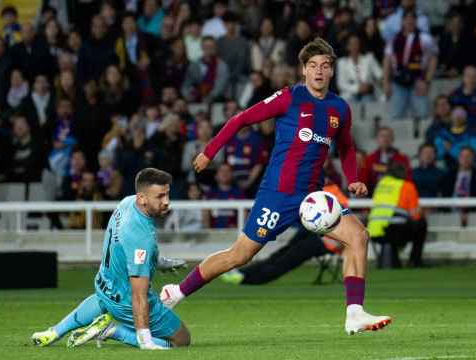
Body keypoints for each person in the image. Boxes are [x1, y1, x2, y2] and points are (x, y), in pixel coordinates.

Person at [160, 38, 391, 335]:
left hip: (313, 200)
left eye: (325, 66)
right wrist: (209, 151)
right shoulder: (289, 97)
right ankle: (176, 293)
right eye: (313, 66)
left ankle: (355, 313)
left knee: (358, 235)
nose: (319, 71)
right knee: (239, 255)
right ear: (304, 70)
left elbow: (346, 147)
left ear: (332, 71)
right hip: (277, 196)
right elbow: (241, 119)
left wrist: (354, 177)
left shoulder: (339, 108)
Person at [30, 168, 191, 350]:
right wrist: (145, 339)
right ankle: (112, 331)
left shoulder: (126, 203)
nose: (167, 202)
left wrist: (159, 262)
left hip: (105, 284)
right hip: (126, 301)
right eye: (160, 197)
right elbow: (138, 295)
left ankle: (54, 332)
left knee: (102, 300)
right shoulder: (140, 236)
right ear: (142, 198)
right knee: (182, 340)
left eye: (167, 194)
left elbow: (125, 250)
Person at [219, 181, 349, 285]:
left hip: (328, 240)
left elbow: (342, 222)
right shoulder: (317, 190)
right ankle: (243, 273)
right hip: (314, 231)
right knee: (281, 254)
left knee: (287, 258)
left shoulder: (332, 194)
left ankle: (249, 278)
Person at [382, 10, 438, 119]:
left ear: (416, 21)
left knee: (422, 115)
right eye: (406, 19)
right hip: (399, 81)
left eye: (412, 19)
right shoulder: (394, 39)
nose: (409, 21)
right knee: (395, 116)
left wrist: (427, 81)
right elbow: (387, 61)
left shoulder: (424, 38)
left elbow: (433, 59)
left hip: (418, 81)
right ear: (402, 21)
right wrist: (386, 83)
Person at [360, 126, 412, 193]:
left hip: (396, 195)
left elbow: (407, 179)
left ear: (392, 139)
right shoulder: (370, 159)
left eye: (388, 136)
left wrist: (384, 169)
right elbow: (363, 181)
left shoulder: (402, 159)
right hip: (373, 196)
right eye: (382, 136)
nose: (385, 139)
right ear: (377, 139)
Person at [336, 34, 383, 103]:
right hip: (350, 96)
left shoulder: (369, 58)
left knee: (368, 100)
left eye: (357, 43)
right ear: (347, 47)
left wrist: (371, 86)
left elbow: (380, 75)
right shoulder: (342, 62)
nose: (355, 46)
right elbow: (341, 84)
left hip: (368, 94)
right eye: (352, 44)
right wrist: (358, 88)